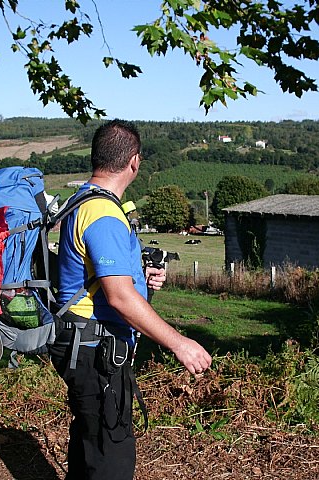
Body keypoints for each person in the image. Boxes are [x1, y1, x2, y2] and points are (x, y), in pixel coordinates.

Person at [49, 119, 212, 480]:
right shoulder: (105, 214)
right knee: (112, 453)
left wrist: (142, 279)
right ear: (134, 162)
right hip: (95, 350)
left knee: (91, 439)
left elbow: (103, 277)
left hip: (80, 340)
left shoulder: (83, 200)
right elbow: (119, 297)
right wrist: (179, 343)